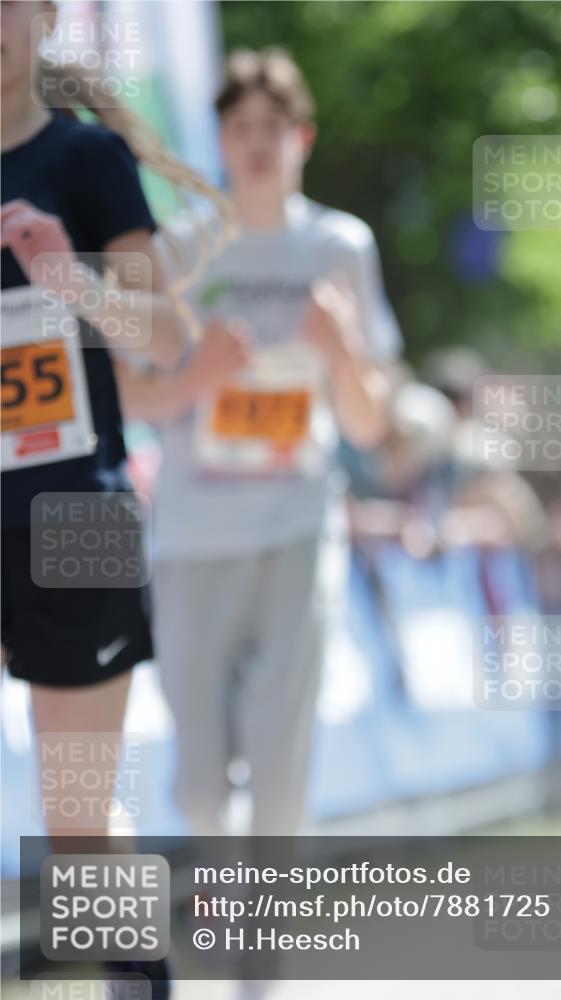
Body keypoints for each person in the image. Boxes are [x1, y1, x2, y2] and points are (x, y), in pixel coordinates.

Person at [1, 1, 240, 993]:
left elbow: (166, 341)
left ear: (45, 15)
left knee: (78, 821)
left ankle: (137, 980)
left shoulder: (88, 160)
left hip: (78, 520)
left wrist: (70, 279)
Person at [115, 47, 402, 842]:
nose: (257, 143)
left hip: (297, 529)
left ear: (302, 138)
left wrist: (342, 351)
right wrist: (196, 379)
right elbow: (126, 393)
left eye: (273, 126)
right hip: (193, 535)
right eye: (240, 126)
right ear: (218, 140)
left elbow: (371, 425)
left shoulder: (341, 247)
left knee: (281, 761)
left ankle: (260, 941)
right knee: (200, 783)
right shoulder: (176, 252)